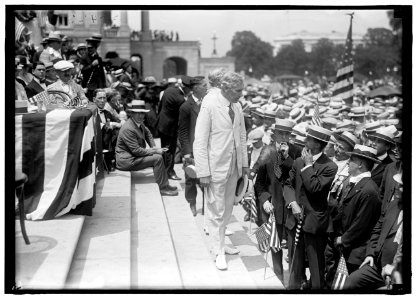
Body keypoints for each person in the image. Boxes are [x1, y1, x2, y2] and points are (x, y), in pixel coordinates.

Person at [193, 71, 249, 270]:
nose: (241, 94)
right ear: (225, 88)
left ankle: (222, 244)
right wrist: (203, 172)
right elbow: (200, 141)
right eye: (238, 90)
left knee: (226, 209)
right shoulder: (209, 105)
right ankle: (217, 252)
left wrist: (244, 164)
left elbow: (242, 136)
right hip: (215, 167)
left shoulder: (237, 106)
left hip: (234, 167)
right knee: (215, 211)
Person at [284, 125, 338, 289]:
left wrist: (308, 166)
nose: (305, 141)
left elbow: (314, 188)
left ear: (318, 143)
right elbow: (288, 185)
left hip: (314, 222)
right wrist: (293, 203)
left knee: (315, 266)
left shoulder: (330, 166)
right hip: (295, 219)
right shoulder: (298, 161)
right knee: (295, 263)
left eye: (309, 139)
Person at [254, 119, 297, 283]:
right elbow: (259, 183)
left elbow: (299, 177)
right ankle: (279, 278)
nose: (284, 137)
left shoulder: (297, 152)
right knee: (275, 245)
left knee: (294, 248)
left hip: (292, 208)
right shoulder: (267, 152)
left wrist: (287, 158)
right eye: (281, 133)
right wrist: (264, 200)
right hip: (274, 207)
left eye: (287, 134)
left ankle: (294, 282)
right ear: (275, 134)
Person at [344, 171, 403, 290]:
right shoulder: (393, 205)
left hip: (398, 272)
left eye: (401, 185)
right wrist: (370, 253)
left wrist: (394, 270)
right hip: (377, 266)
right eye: (397, 183)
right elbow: (377, 230)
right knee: (351, 282)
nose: (396, 187)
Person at [331, 145, 382, 276]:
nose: (348, 162)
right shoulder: (354, 183)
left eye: (352, 159)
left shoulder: (369, 190)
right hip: (345, 247)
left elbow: (362, 223)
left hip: (355, 251)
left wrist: (343, 239)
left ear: (360, 164)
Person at [115, 100, 178, 196]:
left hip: (133, 157)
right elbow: (137, 151)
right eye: (137, 113)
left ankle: (165, 184)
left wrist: (153, 146)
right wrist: (155, 150)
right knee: (157, 158)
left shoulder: (138, 123)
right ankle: (163, 188)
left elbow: (148, 133)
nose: (141, 116)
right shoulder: (128, 128)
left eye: (142, 113)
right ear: (131, 113)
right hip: (127, 161)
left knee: (157, 156)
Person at [178, 77, 208, 216]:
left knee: (205, 177)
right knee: (190, 178)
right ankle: (192, 203)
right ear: (195, 88)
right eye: (203, 85)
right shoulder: (186, 107)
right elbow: (183, 131)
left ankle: (207, 206)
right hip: (192, 148)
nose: (206, 88)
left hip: (206, 148)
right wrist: (187, 152)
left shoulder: (208, 103)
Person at [157, 75, 193, 180]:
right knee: (169, 150)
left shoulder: (170, 90)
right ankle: (169, 172)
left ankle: (165, 171)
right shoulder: (180, 99)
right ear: (186, 88)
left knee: (166, 149)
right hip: (169, 127)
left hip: (163, 124)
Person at [94, 89, 121, 171]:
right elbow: (96, 125)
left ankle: (117, 160)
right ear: (94, 99)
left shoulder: (107, 113)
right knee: (113, 134)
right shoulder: (91, 112)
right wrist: (111, 125)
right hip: (96, 138)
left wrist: (113, 124)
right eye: (100, 98)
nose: (102, 101)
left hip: (107, 138)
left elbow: (119, 123)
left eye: (104, 98)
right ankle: (110, 160)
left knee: (119, 133)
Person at [81, 36, 106, 101]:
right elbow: (82, 70)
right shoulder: (84, 58)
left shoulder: (98, 58)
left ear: (95, 48)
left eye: (91, 48)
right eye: (88, 48)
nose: (89, 50)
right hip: (89, 86)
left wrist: (103, 85)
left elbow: (101, 73)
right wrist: (91, 65)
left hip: (98, 86)